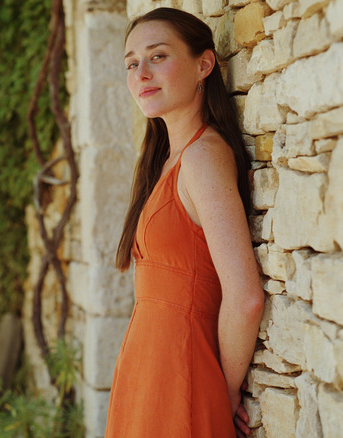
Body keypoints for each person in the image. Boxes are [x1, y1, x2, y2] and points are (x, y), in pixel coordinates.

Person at [106, 7, 265, 438]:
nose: (141, 73)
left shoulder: (202, 157)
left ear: (204, 64)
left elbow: (246, 297)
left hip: (183, 376)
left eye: (158, 56)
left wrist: (223, 391)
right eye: (131, 64)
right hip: (147, 371)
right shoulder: (165, 161)